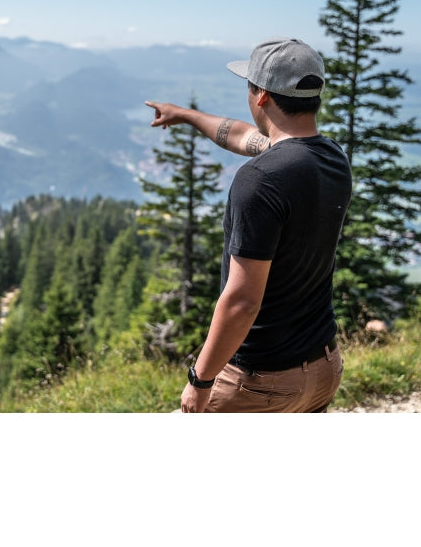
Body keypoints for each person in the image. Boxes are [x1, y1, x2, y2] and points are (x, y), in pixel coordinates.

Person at [145, 37, 352, 413]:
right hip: (324, 369)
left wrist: (200, 380)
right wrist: (187, 114)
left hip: (262, 382)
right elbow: (243, 135)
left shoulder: (260, 179)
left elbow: (242, 301)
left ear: (260, 96)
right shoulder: (331, 157)